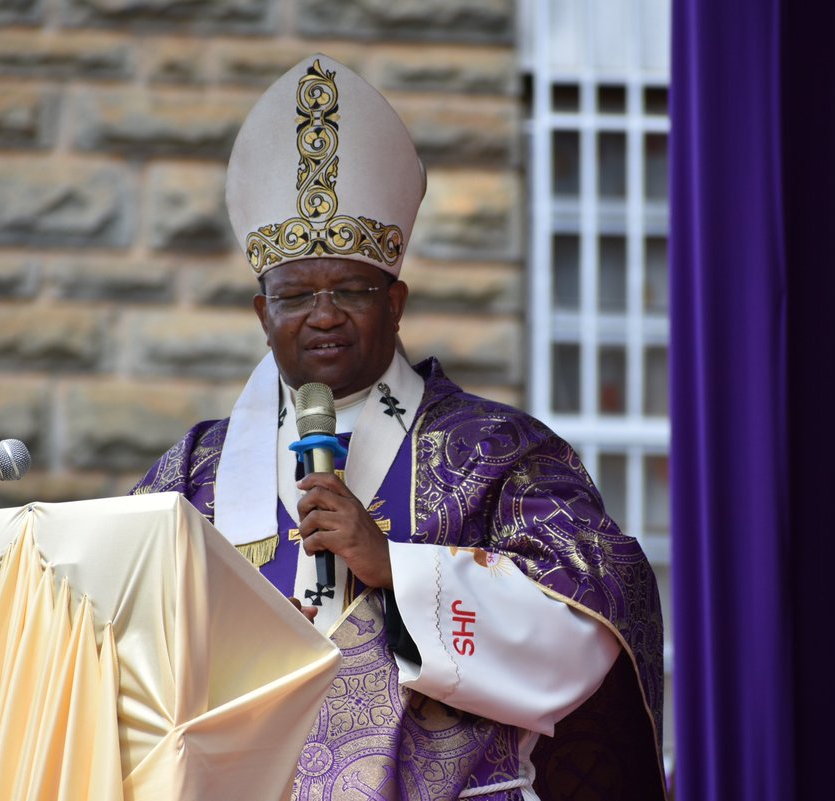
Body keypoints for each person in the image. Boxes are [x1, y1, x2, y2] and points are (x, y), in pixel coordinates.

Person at [133, 54, 666, 800]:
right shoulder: (193, 473)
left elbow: (598, 617)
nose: (323, 313)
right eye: (296, 294)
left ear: (397, 300)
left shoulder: (498, 456)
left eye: (351, 287)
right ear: (263, 314)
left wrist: (400, 572)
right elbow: (116, 647)